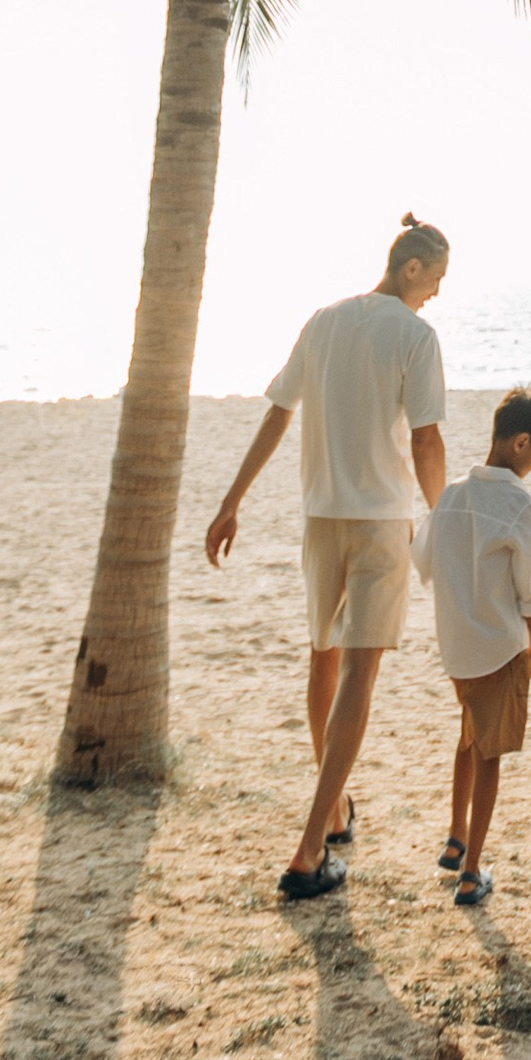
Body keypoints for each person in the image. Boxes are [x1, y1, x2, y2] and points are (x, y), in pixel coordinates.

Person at [204, 214, 451, 904]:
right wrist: (445, 515)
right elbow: (427, 441)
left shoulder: (322, 321)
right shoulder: (416, 336)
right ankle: (310, 849)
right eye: (435, 279)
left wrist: (232, 501)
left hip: (321, 521)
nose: (436, 293)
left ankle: (334, 813)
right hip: (379, 523)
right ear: (410, 269)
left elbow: (279, 412)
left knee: (325, 660)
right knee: (359, 676)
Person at [424, 391, 531, 907]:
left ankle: (455, 838)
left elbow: (426, 560)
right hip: (498, 647)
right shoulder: (517, 502)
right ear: (521, 442)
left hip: (456, 645)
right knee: (490, 755)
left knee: (468, 739)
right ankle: (472, 870)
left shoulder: (452, 494)